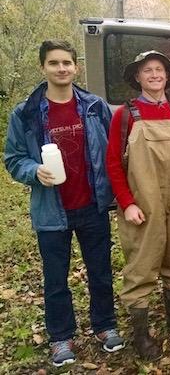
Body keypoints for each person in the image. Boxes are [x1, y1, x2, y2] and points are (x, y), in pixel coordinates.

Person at [4, 40, 123, 367]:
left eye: (66, 63)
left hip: (92, 205)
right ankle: (61, 337)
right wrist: (33, 170)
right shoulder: (26, 112)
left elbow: (114, 153)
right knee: (56, 278)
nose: (61, 68)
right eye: (54, 63)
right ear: (43, 67)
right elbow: (13, 158)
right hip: (52, 211)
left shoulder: (94, 107)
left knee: (101, 271)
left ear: (76, 67)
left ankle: (105, 326)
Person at [106, 50, 170, 359]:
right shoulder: (125, 115)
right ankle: (140, 335)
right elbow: (112, 164)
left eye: (159, 69)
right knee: (143, 264)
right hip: (143, 204)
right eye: (147, 70)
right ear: (137, 77)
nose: (153, 75)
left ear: (167, 75)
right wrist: (126, 203)